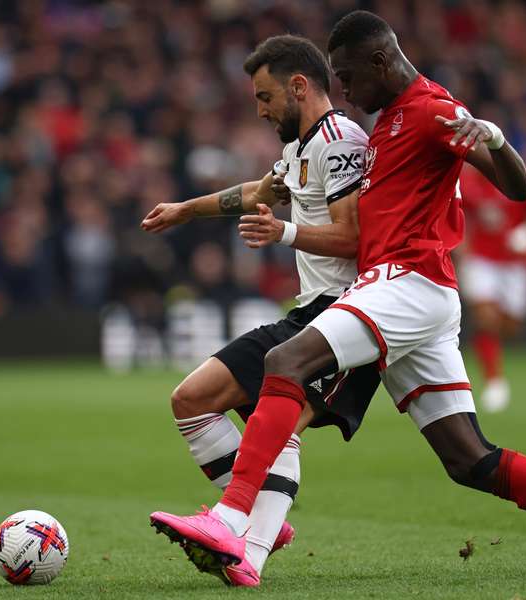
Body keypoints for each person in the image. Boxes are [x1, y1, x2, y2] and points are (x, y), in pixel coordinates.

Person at [151, 10, 526, 578]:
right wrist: (187, 210)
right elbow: (273, 187)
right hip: (414, 297)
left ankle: (232, 519)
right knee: (470, 460)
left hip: (408, 280)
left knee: (286, 361)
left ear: (379, 61)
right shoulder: (385, 124)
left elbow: (517, 188)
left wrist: (495, 138)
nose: (342, 89)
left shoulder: (430, 110)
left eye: (346, 76)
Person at [141, 34, 379, 587]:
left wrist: (286, 232)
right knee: (192, 401)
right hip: (307, 314)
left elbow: (357, 237)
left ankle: (250, 550)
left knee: (280, 424)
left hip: (348, 318)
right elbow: (257, 193)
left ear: (299, 86)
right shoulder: (301, 147)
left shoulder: (341, 139)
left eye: (265, 96)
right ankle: (262, 519)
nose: (260, 108)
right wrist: (185, 211)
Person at [458, 166, 526, 411]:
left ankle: (492, 356)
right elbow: (456, 212)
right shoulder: (466, 182)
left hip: (515, 262)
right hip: (481, 259)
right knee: (486, 318)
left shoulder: (519, 174)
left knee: (511, 326)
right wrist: (461, 248)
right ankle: (494, 381)